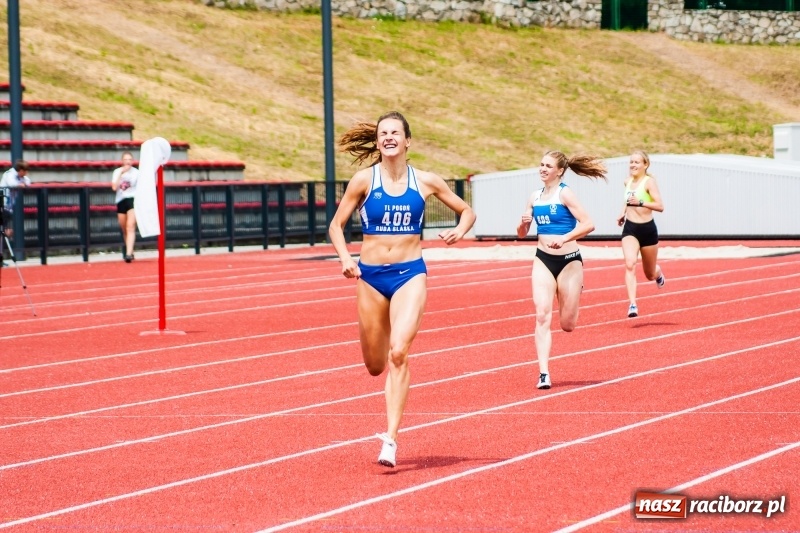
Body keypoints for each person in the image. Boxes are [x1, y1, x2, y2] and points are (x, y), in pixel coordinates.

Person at [328, 111, 476, 468]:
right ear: (378, 142)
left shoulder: (424, 181)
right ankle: (388, 416)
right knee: (376, 365)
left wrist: (459, 230)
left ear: (408, 141)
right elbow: (336, 225)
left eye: (396, 132)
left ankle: (390, 439)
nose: (389, 137)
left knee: (398, 353)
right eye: (384, 133)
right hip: (371, 277)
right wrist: (345, 257)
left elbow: (466, 210)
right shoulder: (364, 180)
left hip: (410, 273)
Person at [517, 150, 607, 390]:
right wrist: (523, 223)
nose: (543, 169)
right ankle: (544, 372)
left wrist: (565, 238)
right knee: (542, 314)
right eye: (541, 164)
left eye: (548, 166)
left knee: (567, 324)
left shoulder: (564, 193)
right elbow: (521, 234)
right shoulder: (535, 196)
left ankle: (576, 289)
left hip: (569, 261)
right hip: (543, 260)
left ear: (559, 171)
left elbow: (588, 224)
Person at [615, 150, 665, 318]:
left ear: (645, 165)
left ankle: (658, 273)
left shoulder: (649, 182)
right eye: (631, 162)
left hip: (648, 230)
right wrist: (622, 212)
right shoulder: (627, 181)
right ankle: (633, 304)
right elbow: (626, 200)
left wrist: (642, 202)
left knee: (649, 273)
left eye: (637, 162)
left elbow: (660, 206)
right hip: (630, 229)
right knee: (629, 264)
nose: (633, 165)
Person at [111, 151, 140, 263]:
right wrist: (121, 173)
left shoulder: (136, 173)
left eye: (130, 159)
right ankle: (131, 251)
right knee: (124, 229)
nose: (128, 162)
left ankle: (128, 254)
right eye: (126, 159)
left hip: (132, 199)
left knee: (130, 226)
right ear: (122, 161)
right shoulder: (117, 171)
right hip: (121, 200)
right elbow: (114, 187)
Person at [0, 159, 31, 239]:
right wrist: (20, 184)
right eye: (25, 171)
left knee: (6, 229)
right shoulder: (9, 174)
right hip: (3, 204)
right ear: (21, 170)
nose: (26, 174)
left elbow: (28, 182)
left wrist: (22, 184)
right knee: (5, 229)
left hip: (8, 207)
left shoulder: (21, 177)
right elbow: (11, 183)